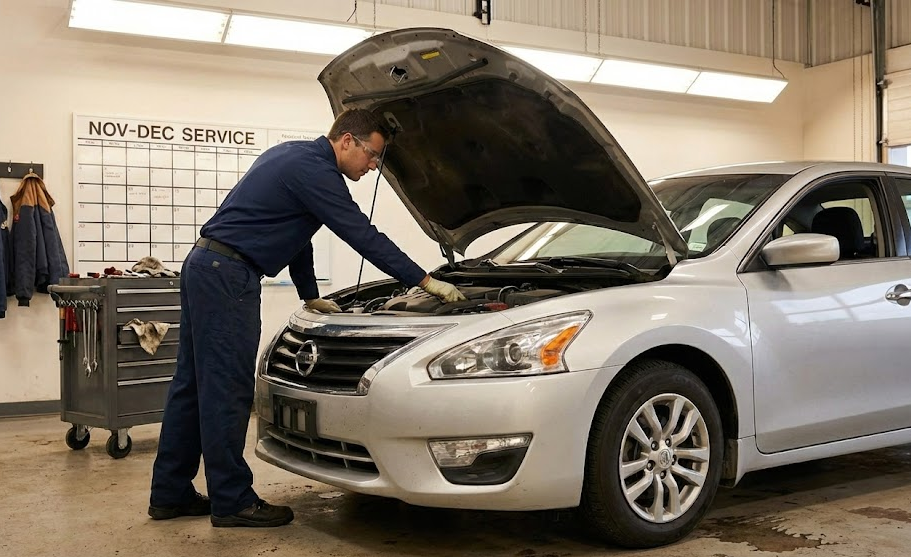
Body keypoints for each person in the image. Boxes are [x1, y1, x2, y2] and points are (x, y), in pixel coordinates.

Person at [148, 109, 465, 528]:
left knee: (190, 386)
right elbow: (362, 234)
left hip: (206, 266)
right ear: (347, 141)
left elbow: (299, 237)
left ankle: (169, 492)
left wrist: (310, 295)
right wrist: (425, 281)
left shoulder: (294, 156)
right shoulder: (316, 172)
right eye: (372, 155)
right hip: (229, 276)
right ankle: (231, 500)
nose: (373, 166)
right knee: (228, 389)